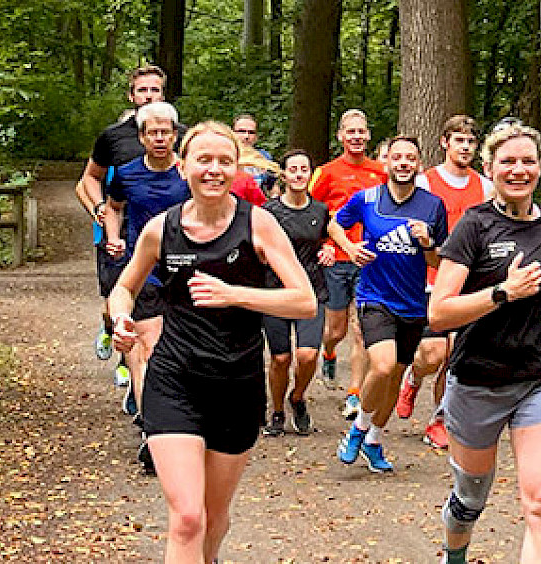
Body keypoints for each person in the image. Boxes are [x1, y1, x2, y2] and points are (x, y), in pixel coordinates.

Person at [107, 121, 317, 564]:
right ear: (183, 167)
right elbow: (123, 288)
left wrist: (235, 294)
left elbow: (305, 302)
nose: (214, 170)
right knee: (186, 517)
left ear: (237, 169)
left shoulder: (258, 224)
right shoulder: (160, 230)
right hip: (175, 380)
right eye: (204, 160)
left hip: (236, 384)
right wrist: (121, 317)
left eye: (225, 161)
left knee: (213, 515)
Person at [426, 120, 541, 564]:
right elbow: (439, 312)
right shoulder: (474, 227)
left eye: (528, 161)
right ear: (489, 167)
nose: (519, 170)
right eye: (508, 161)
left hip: (539, 377)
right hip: (478, 379)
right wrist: (502, 293)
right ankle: (454, 553)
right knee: (470, 497)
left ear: (540, 167)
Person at [328, 136, 446, 472]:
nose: (404, 163)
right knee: (381, 365)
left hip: (413, 302)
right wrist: (349, 251)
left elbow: (439, 261)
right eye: (397, 157)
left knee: (394, 377)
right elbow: (335, 224)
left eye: (410, 158)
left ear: (418, 164)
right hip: (374, 298)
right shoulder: (367, 199)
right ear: (387, 163)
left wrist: (427, 243)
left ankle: (375, 440)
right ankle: (358, 430)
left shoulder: (432, 206)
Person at [101, 101, 192, 473]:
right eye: (151, 132)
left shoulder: (189, 173)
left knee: (182, 354)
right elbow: (113, 206)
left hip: (186, 273)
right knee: (146, 351)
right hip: (144, 272)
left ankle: (183, 424)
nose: (159, 138)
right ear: (140, 137)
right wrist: (113, 238)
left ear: (174, 135)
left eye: (165, 132)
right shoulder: (125, 174)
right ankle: (153, 434)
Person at [73, 64, 166, 394]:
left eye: (155, 90)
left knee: (154, 307)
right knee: (118, 297)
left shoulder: (176, 134)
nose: (149, 96)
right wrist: (99, 209)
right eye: (143, 90)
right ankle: (118, 342)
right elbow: (88, 179)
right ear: (132, 95)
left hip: (162, 233)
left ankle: (140, 369)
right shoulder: (114, 137)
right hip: (120, 233)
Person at [402, 115, 493, 450]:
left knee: (456, 355)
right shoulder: (426, 183)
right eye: (459, 140)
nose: (465, 147)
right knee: (432, 352)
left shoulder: (484, 186)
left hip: (469, 281)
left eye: (470, 142)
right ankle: (413, 377)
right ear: (444, 143)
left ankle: (439, 419)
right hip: (430, 278)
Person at [308, 110, 386, 419]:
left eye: (361, 132)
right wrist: (325, 245)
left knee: (362, 331)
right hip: (338, 258)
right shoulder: (326, 172)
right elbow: (311, 212)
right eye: (350, 131)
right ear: (341, 136)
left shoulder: (380, 172)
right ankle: (328, 353)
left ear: (368, 136)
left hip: (370, 259)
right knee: (336, 329)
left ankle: (354, 393)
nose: (356, 137)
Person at [260, 150, 327, 437]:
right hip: (275, 292)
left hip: (312, 291)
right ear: (284, 175)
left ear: (310, 175)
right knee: (280, 359)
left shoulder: (320, 211)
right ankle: (276, 411)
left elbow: (327, 237)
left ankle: (297, 398)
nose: (299, 174)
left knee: (308, 355)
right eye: (293, 169)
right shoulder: (268, 212)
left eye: (304, 169)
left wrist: (328, 251)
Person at [233, 114, 275, 190]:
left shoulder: (264, 157)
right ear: (232, 133)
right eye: (241, 131)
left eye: (251, 132)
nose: (246, 136)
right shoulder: (224, 155)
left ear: (256, 137)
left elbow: (272, 186)